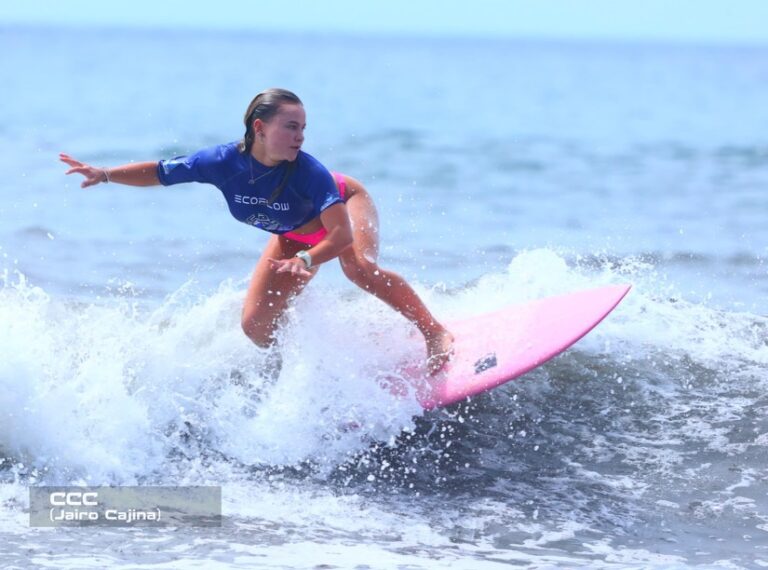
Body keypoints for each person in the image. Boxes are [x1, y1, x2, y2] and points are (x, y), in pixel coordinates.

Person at [60, 88, 454, 376]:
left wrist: (305, 259)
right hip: (292, 233)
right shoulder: (219, 162)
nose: (300, 136)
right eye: (291, 127)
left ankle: (434, 332)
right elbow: (161, 173)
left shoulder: (309, 172)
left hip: (342, 207)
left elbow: (340, 237)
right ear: (260, 128)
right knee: (256, 328)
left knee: (358, 269)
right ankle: (321, 363)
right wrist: (106, 174)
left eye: (303, 127)